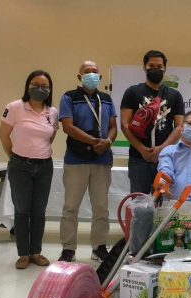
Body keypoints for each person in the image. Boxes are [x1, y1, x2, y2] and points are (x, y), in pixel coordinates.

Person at [58, 61, 117, 262]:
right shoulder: (69, 97)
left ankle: (99, 247)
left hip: (102, 159)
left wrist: (107, 141)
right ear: (79, 76)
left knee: (101, 207)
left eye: (94, 72)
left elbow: (113, 126)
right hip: (76, 160)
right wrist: (93, 141)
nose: (91, 75)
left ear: (100, 77)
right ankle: (68, 249)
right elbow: (67, 126)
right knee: (71, 207)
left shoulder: (107, 99)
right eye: (87, 72)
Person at [0, 70, 59, 269]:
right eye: (35, 84)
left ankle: (36, 252)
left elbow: (50, 137)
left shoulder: (53, 112)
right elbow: (4, 136)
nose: (40, 89)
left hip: (44, 166)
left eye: (45, 86)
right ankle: (23, 254)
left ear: (50, 90)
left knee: (39, 211)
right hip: (20, 166)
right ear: (27, 85)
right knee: (22, 211)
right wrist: (15, 158)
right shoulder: (14, 107)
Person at [121, 50, 185, 194]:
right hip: (138, 159)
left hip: (165, 159)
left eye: (159, 66)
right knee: (139, 205)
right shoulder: (132, 92)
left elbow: (179, 126)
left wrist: (161, 150)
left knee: (164, 203)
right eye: (151, 65)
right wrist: (143, 151)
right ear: (144, 67)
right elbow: (125, 125)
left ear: (164, 69)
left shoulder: (175, 95)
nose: (155, 69)